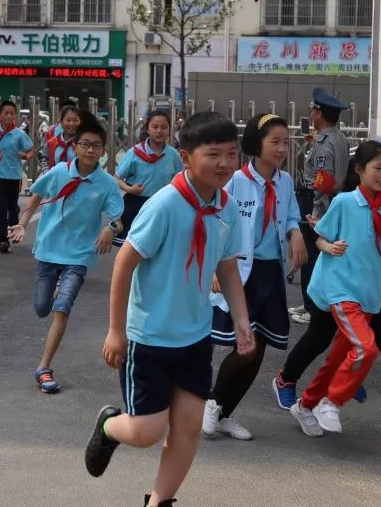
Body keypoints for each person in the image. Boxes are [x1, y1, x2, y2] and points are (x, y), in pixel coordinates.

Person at [83, 112, 254, 507]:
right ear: (186, 157)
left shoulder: (225, 206)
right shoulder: (165, 205)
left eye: (232, 154)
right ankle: (109, 426)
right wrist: (115, 330)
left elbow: (227, 265)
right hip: (149, 338)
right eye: (214, 154)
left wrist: (241, 319)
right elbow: (125, 263)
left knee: (189, 428)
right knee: (146, 432)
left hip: (195, 337)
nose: (226, 163)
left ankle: (158, 501)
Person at [272, 148, 381, 408]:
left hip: (370, 288)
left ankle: (347, 374)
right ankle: (286, 379)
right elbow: (323, 239)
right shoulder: (348, 203)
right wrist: (330, 247)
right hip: (338, 287)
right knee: (320, 336)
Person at [203, 114, 307, 441]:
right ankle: (212, 403)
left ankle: (224, 413)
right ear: (256, 143)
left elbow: (290, 214)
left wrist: (295, 234)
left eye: (285, 142)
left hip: (270, 274)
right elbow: (214, 222)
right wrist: (213, 268)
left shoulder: (286, 182)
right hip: (239, 273)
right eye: (274, 141)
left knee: (258, 351)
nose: (281, 148)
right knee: (244, 347)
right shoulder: (235, 181)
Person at [9, 112, 124, 394]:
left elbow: (118, 219)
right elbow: (36, 194)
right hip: (49, 250)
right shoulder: (59, 172)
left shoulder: (107, 183)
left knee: (62, 309)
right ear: (75, 146)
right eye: (84, 144)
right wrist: (23, 223)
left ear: (103, 151)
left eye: (96, 145)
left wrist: (110, 229)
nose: (90, 150)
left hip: (79, 256)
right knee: (42, 308)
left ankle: (44, 367)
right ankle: (54, 291)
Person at [291, 88, 350, 325]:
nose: (310, 114)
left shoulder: (325, 144)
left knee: (312, 254)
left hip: (316, 203)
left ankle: (311, 307)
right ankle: (313, 304)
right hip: (328, 202)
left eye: (313, 110)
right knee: (319, 255)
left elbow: (323, 182)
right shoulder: (337, 138)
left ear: (318, 114)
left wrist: (317, 214)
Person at [112, 110, 183, 247]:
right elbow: (117, 178)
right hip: (136, 204)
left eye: (164, 127)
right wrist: (129, 189)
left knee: (158, 244)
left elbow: (180, 179)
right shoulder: (135, 152)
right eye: (155, 127)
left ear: (169, 130)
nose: (159, 131)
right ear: (147, 129)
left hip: (163, 206)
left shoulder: (173, 155)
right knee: (132, 246)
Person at [0, 100, 36, 254]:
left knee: (12, 207)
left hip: (14, 176)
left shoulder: (19, 134)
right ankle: (3, 239)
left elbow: (31, 150)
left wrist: (26, 156)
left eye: (12, 113)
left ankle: (14, 225)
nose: (9, 116)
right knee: (0, 208)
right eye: (6, 113)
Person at [43, 105, 82, 172]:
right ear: (61, 121)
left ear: (80, 122)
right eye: (68, 120)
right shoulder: (53, 141)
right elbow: (45, 159)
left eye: (75, 120)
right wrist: (48, 173)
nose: (71, 124)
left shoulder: (83, 142)